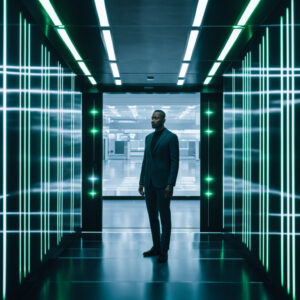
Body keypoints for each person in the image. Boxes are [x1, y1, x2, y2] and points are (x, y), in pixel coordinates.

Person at [139, 110, 179, 263]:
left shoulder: (171, 137)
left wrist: (170, 184)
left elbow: (175, 162)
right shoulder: (148, 138)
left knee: (164, 218)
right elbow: (145, 161)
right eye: (152, 117)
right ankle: (156, 246)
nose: (153, 120)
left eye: (156, 118)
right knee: (152, 218)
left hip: (163, 185)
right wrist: (141, 181)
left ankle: (164, 250)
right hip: (149, 184)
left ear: (164, 120)